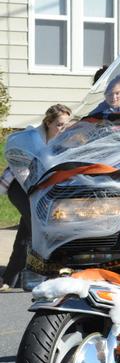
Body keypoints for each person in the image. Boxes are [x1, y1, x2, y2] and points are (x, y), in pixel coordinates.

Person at [0, 104, 72, 290]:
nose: (63, 129)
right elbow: (23, 174)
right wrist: (40, 195)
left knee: (27, 231)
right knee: (39, 228)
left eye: (66, 125)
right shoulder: (29, 140)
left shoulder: (59, 141)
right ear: (48, 123)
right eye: (59, 125)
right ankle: (49, 273)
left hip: (39, 188)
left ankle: (9, 279)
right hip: (20, 187)